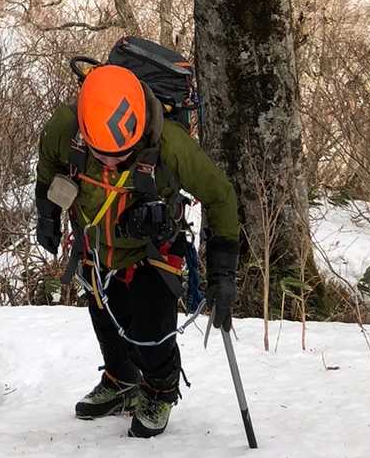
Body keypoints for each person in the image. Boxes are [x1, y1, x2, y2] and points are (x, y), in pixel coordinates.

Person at [35, 62, 240, 440]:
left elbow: (220, 196)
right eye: (103, 155)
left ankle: (160, 391)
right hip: (96, 248)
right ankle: (122, 381)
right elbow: (47, 167)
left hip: (153, 251)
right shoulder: (65, 129)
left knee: (149, 332)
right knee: (106, 320)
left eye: (122, 154)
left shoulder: (171, 145)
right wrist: (47, 216)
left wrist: (223, 272)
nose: (113, 162)